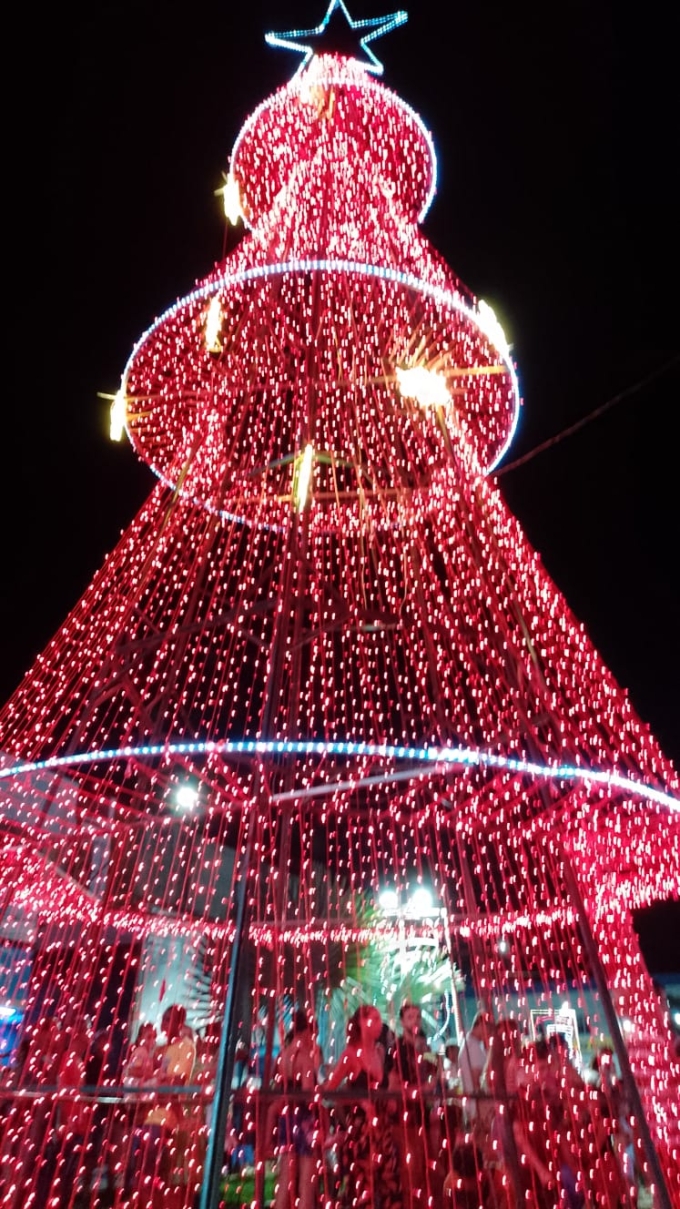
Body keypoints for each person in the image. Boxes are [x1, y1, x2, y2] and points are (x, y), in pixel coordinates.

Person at [325, 1005, 403, 1209]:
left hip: (383, 1129)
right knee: (364, 1186)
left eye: (379, 1019)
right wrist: (357, 1100)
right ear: (361, 1023)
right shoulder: (350, 1054)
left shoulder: (378, 1052)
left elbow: (381, 1087)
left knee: (390, 1183)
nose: (379, 1023)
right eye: (374, 1019)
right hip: (362, 1131)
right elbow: (329, 1091)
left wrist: (389, 1099)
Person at [270, 1010, 322, 1209]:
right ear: (308, 1031)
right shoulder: (305, 1058)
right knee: (306, 1182)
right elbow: (308, 1093)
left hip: (286, 1119)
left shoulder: (283, 1056)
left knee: (285, 1179)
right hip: (304, 1120)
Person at [393, 1001, 437, 1208]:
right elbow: (395, 1088)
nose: (416, 1021)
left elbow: (432, 1074)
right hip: (405, 1117)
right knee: (409, 1170)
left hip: (422, 1115)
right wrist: (422, 1090)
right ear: (402, 1022)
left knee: (422, 1169)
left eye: (418, 1017)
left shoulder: (424, 1046)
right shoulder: (398, 1049)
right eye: (411, 1017)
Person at [457, 1012, 492, 1127]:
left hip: (471, 1105)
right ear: (481, 1025)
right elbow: (476, 1078)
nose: (489, 1032)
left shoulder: (468, 1044)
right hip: (478, 1106)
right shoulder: (474, 1047)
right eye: (488, 1028)